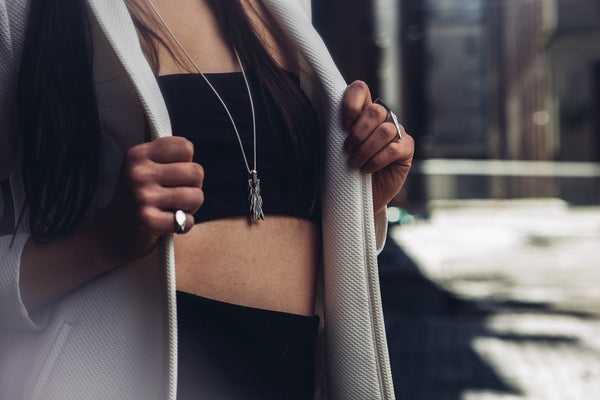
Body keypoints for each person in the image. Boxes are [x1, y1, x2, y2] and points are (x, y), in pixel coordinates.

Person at [0, 0, 414, 399]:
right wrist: (103, 239)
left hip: (289, 372)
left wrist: (356, 195)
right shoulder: (22, 10)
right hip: (117, 376)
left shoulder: (284, 6)